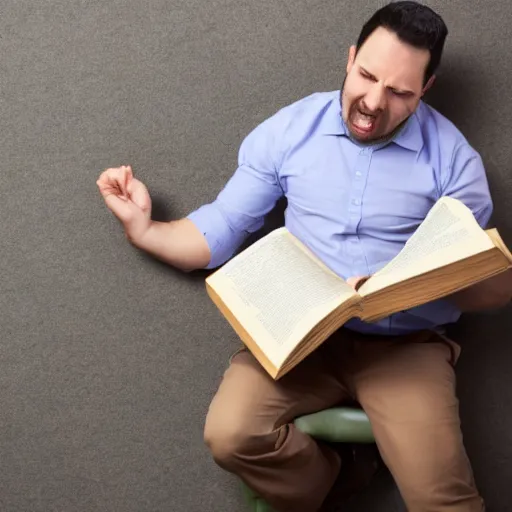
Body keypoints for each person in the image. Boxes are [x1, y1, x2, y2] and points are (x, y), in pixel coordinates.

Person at [97, 2, 512, 511]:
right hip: (301, 341)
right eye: (366, 75)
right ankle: (334, 479)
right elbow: (218, 233)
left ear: (425, 89)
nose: (373, 102)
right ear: (351, 57)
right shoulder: (291, 129)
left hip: (407, 350)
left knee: (442, 499)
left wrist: (398, 287)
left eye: (400, 91)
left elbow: (489, 287)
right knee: (229, 435)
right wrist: (144, 228)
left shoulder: (454, 161)